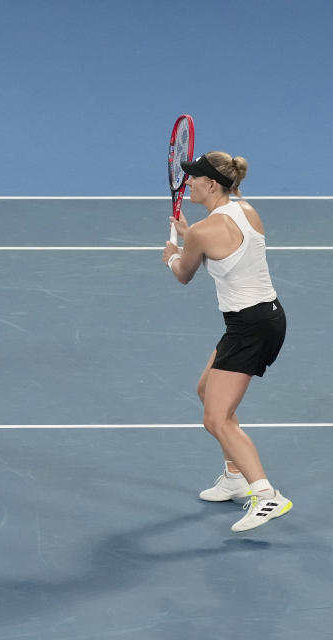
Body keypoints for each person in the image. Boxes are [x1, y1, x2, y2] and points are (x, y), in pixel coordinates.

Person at [162, 151, 291, 532]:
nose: (188, 186)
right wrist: (189, 238)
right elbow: (224, 246)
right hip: (263, 319)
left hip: (250, 327)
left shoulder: (204, 231)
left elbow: (184, 273)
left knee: (216, 418)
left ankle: (266, 495)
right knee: (207, 391)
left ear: (211, 184)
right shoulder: (246, 210)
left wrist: (172, 255)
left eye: (194, 179)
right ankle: (234, 476)